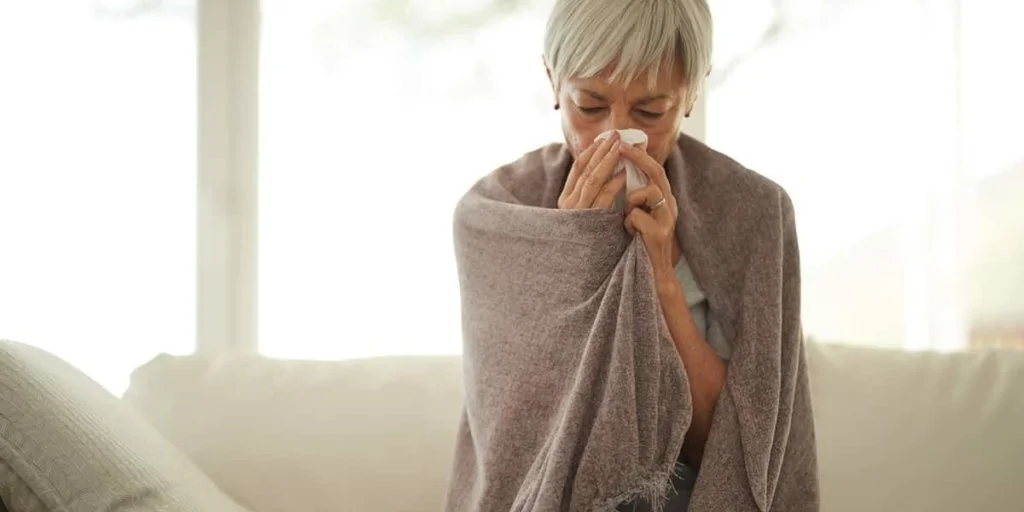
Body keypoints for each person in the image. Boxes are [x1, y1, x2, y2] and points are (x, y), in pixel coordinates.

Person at [446, 0, 818, 510]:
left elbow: (739, 452)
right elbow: (523, 444)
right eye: (590, 106)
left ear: (691, 93)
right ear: (554, 82)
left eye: (650, 112)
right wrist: (574, 258)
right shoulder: (497, 216)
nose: (614, 137)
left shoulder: (755, 215)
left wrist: (662, 278)